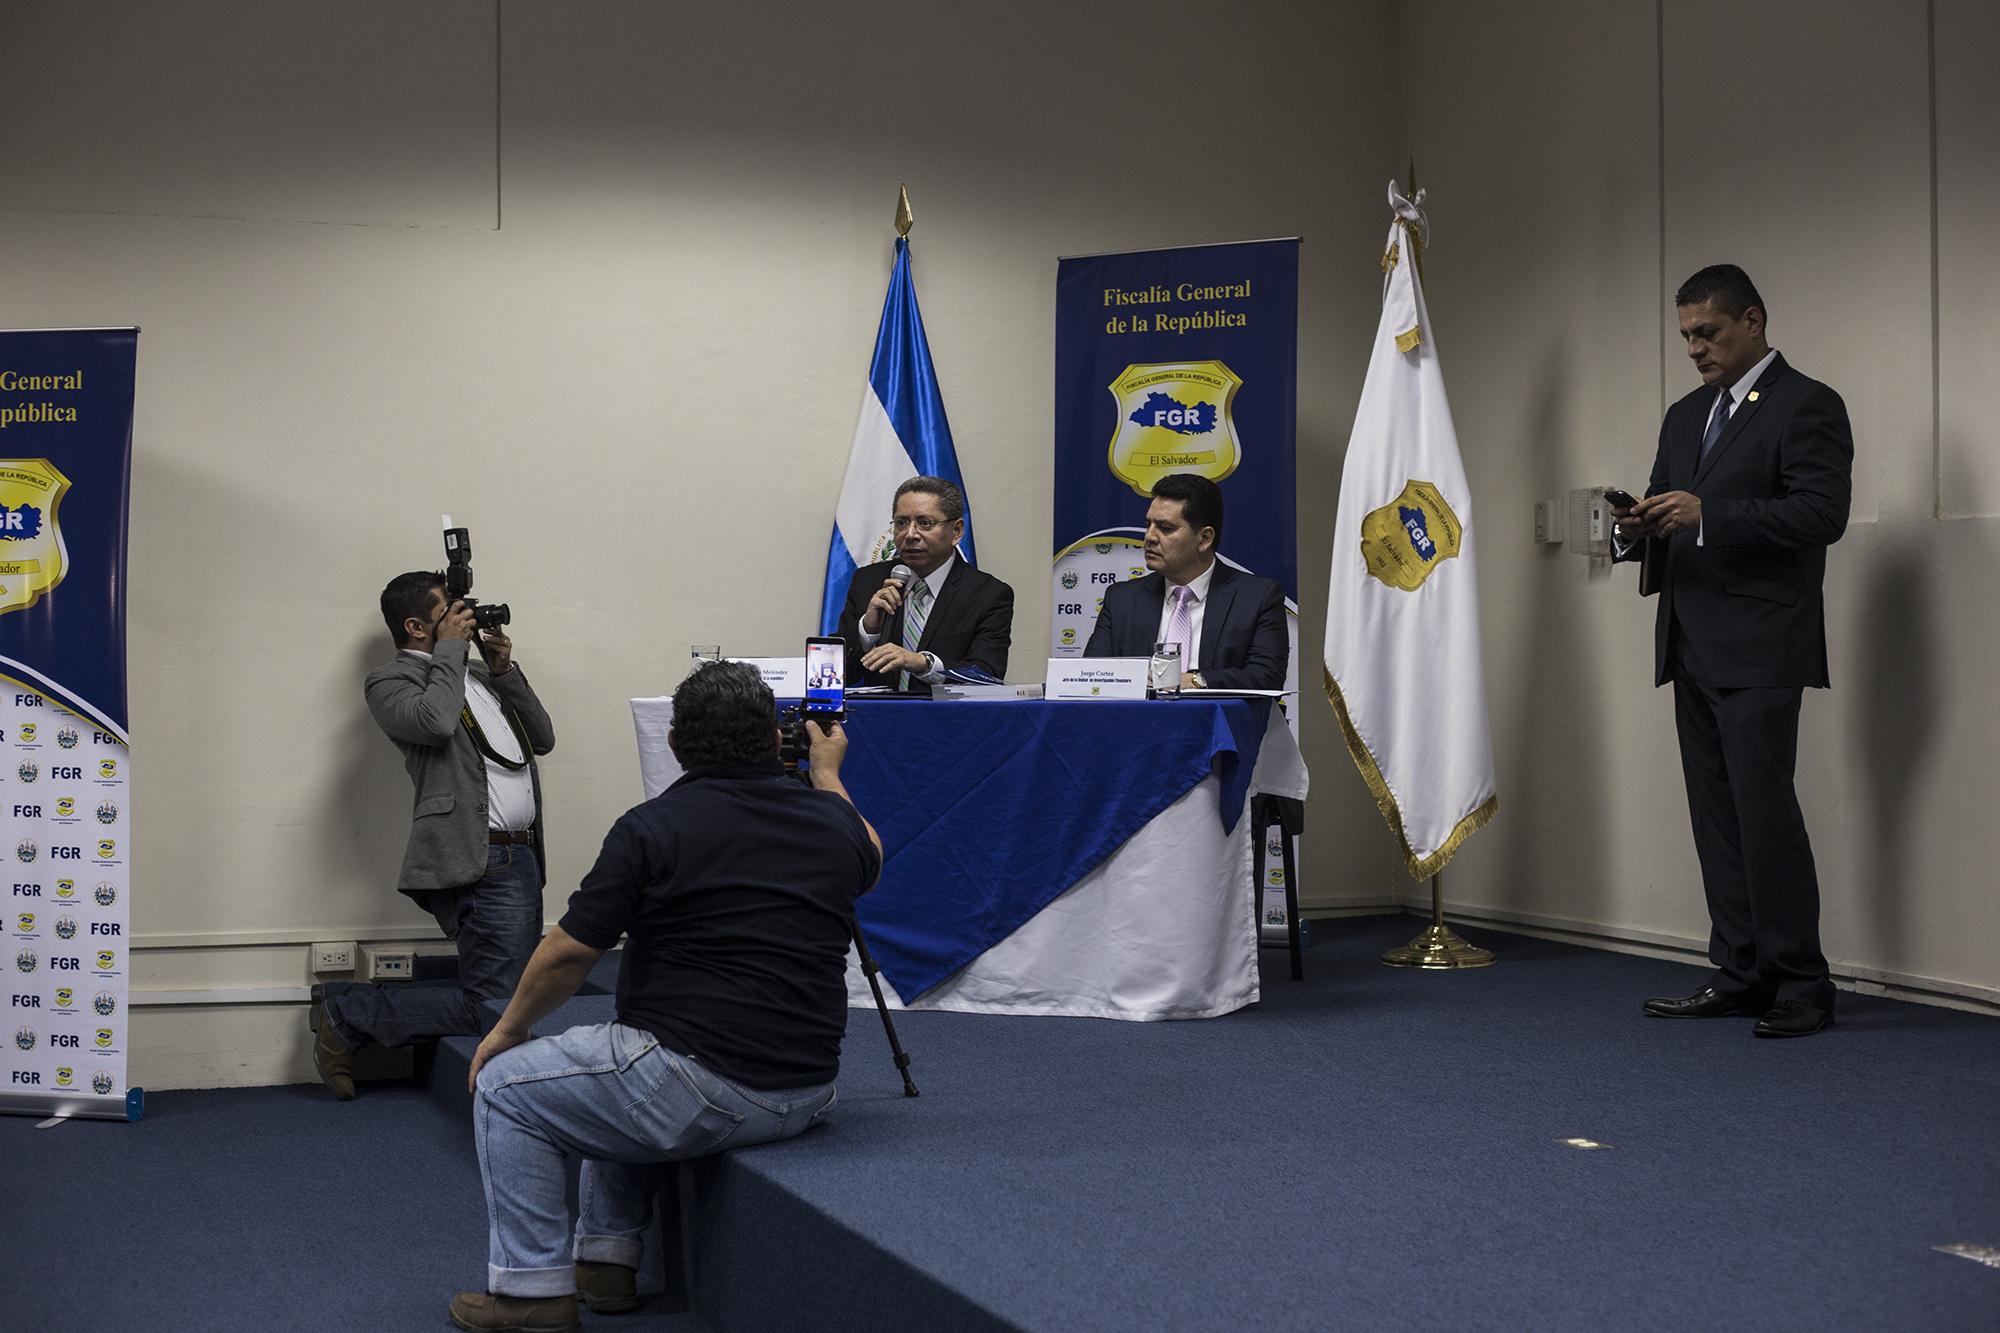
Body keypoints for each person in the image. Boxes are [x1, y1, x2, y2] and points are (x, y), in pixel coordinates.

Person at [445, 660, 882, 1332]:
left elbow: (568, 951)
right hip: (807, 1089)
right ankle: (606, 1260)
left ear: (675, 745)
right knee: (616, 1056)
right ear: (776, 738)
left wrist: (505, 1031)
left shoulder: (651, 827)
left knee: (511, 1085)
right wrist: (827, 772)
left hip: (707, 1086)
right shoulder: (834, 822)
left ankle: (531, 1292)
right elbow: (872, 853)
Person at [1611, 264, 1852, 1039]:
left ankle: (1803, 981)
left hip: (1761, 644)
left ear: (1753, 320)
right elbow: (1664, 501)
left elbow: (1821, 513)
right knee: (1716, 817)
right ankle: (1741, 970)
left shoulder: (1807, 405)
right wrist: (1635, 527)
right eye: (1685, 335)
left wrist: (1710, 514)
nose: (1695, 348)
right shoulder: (1684, 417)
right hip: (1690, 638)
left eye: (1707, 332)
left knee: (1764, 813)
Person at [309, 572, 556, 1099]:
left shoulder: (477, 677)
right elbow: (438, 723)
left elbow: (543, 736)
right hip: (478, 855)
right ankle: (349, 1011)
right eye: (451, 610)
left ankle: (350, 1011)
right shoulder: (390, 682)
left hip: (522, 855)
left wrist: (503, 669)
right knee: (493, 1005)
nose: (465, 617)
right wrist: (449, 653)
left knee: (504, 997)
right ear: (417, 626)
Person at [1083, 472, 1289, 690]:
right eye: (1148, 524)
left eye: (1165, 528)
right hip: (1137, 722)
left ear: (1204, 538)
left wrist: (1196, 681)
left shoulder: (1258, 598)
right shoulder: (1121, 599)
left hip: (1218, 723)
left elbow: (1267, 677)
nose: (1149, 537)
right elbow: (1094, 675)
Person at [837, 475, 1013, 690]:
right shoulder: (868, 581)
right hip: (879, 718)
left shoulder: (988, 594)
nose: (910, 534)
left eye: (925, 523)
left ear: (956, 531)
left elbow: (987, 676)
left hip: (945, 720)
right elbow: (835, 675)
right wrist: (868, 630)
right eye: (901, 523)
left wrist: (922, 663)